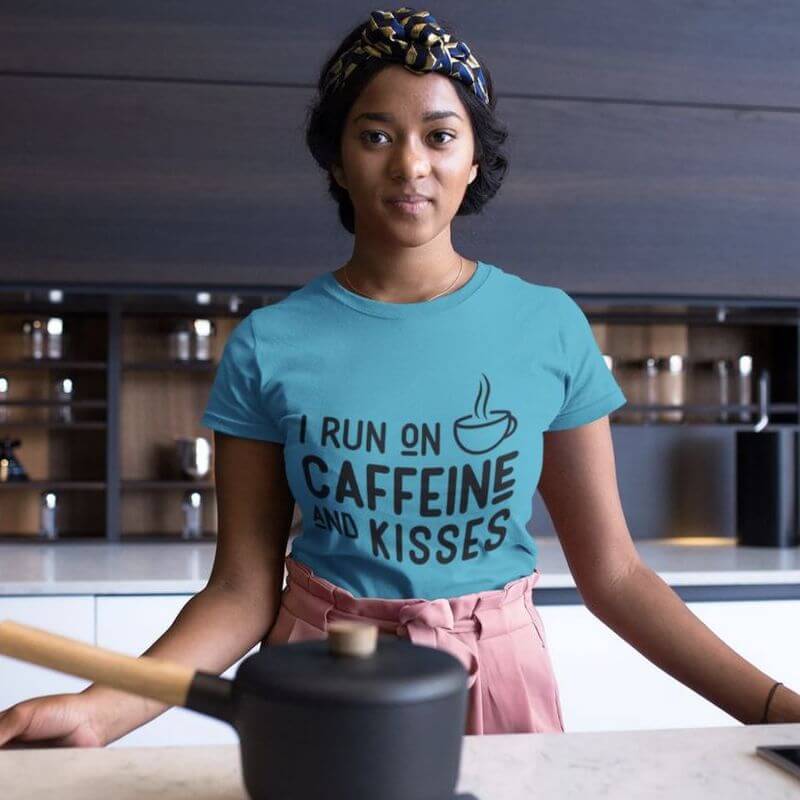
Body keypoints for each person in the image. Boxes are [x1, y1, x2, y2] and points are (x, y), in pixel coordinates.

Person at [2, 6, 799, 748]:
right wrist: (100, 711)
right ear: (338, 162)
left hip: (499, 685)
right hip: (321, 680)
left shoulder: (547, 325)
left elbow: (616, 576)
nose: (410, 164)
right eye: (376, 135)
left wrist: (772, 709)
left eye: (440, 135)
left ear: (473, 158)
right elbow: (242, 593)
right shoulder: (270, 344)